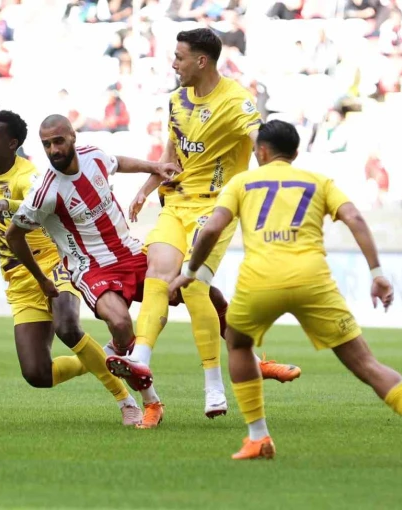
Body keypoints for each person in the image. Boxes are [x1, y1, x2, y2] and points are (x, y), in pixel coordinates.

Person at [169, 120, 402, 464]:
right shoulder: (318, 181)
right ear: (296, 153)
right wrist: (377, 273)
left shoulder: (241, 182)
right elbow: (355, 219)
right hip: (313, 280)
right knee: (365, 362)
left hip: (261, 281)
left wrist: (189, 272)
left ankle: (258, 437)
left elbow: (212, 228)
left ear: (261, 151)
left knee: (238, 343)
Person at [128, 28, 300, 420]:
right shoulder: (175, 101)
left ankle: (213, 385)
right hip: (177, 203)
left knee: (192, 287)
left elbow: (261, 144)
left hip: (216, 208)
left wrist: (272, 186)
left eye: (179, 57)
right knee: (158, 270)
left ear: (201, 61)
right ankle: (140, 356)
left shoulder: (237, 101)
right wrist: (145, 186)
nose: (173, 64)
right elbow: (170, 157)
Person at [0, 110, 143, 426]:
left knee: (68, 328)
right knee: (37, 374)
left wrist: (8, 205)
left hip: (54, 262)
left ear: (12, 143)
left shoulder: (28, 177)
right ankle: (95, 358)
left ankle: (126, 402)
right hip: (19, 277)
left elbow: (39, 200)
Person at [7, 114, 180, 429]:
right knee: (119, 321)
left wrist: (154, 167)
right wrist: (41, 277)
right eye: (46, 145)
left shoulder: (93, 155)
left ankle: (245, 355)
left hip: (129, 251)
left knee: (189, 290)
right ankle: (150, 402)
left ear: (72, 137)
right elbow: (13, 235)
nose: (53, 149)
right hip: (91, 267)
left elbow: (117, 162)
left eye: (58, 141)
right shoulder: (46, 191)